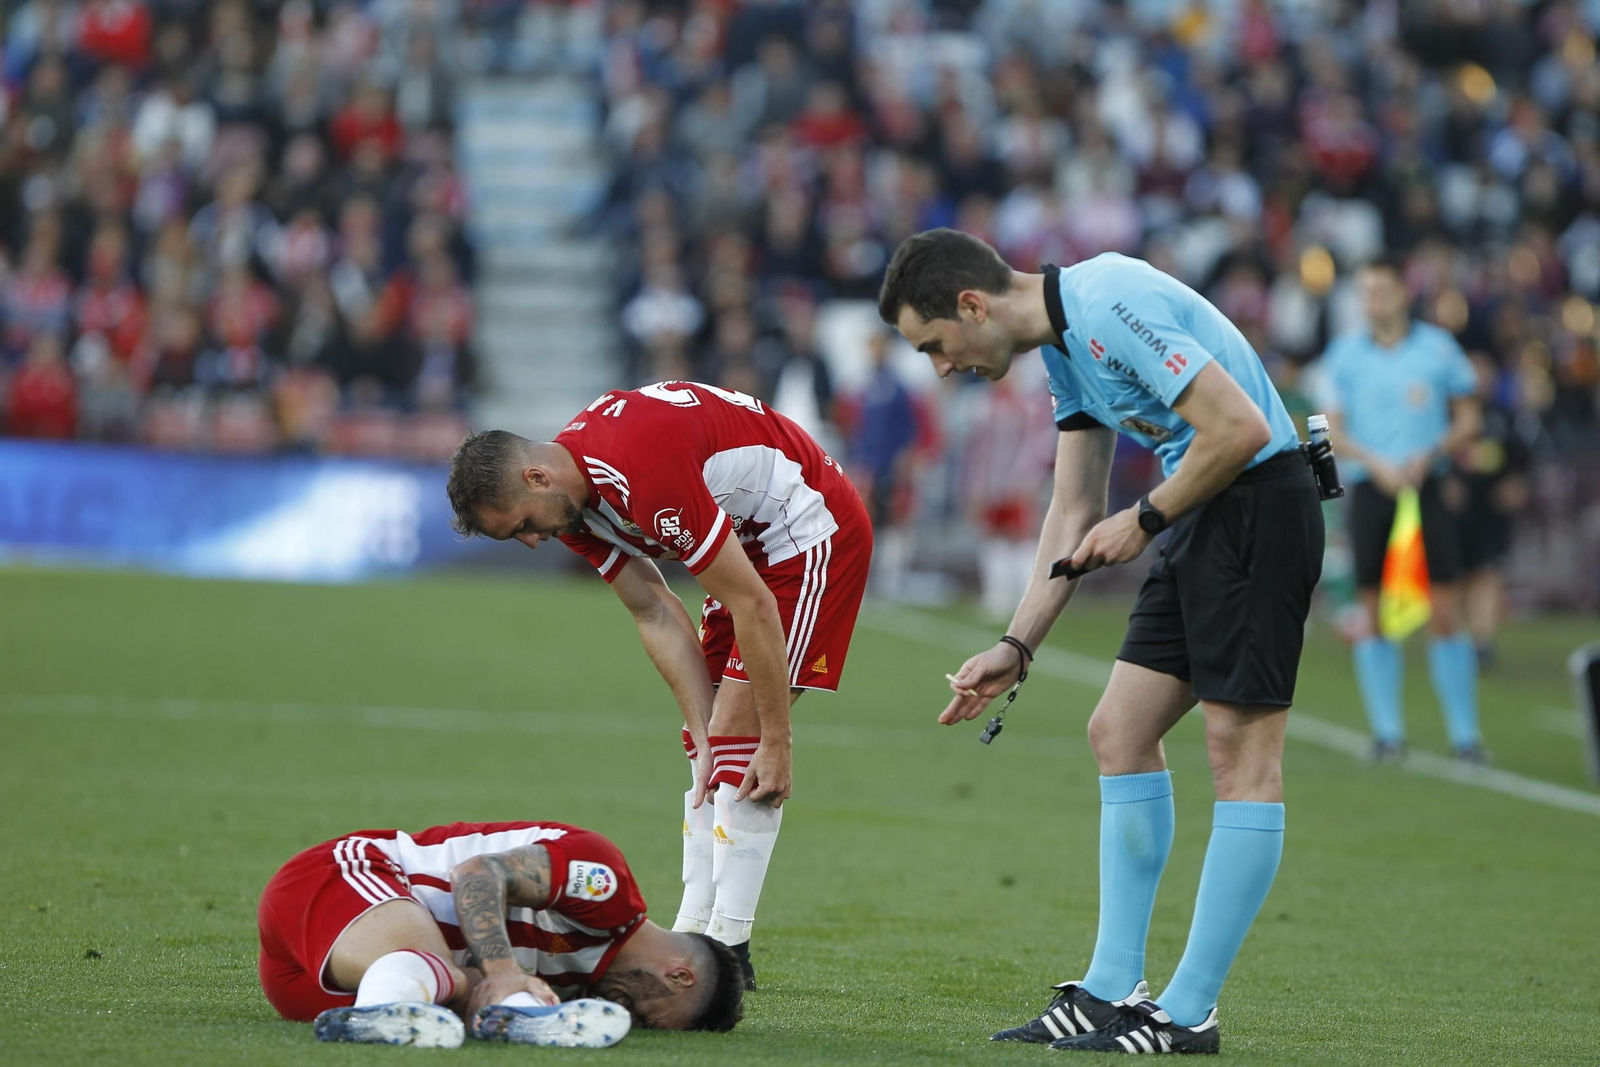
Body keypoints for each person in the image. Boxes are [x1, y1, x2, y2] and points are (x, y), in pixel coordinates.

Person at [879, 228, 1323, 1055]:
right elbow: (1073, 507)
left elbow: (1241, 426)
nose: (942, 366)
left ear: (973, 305)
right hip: (1199, 507)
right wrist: (1016, 644)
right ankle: (1113, 985)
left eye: (936, 344)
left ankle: (1188, 1013)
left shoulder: (1106, 300)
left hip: (1258, 502)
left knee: (1242, 757)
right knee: (1117, 732)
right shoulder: (1058, 345)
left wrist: (1148, 515)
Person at [446, 381, 873, 989]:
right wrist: (700, 739)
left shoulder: (639, 470)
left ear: (537, 478)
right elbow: (653, 610)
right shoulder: (575, 506)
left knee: (740, 738)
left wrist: (776, 740)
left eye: (522, 525)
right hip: (748, 543)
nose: (532, 541)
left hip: (809, 530)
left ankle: (728, 948)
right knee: (710, 750)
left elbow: (751, 602)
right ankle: (692, 932)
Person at [257, 819, 745, 1047]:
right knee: (477, 978)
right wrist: (506, 971)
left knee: (465, 987)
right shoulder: (607, 887)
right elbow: (476, 874)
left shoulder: (576, 985)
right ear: (680, 975)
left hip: (313, 983)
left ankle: (521, 1022)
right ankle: (392, 1009)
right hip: (344, 880)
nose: (631, 1020)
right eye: (649, 1018)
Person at [1318, 257, 1484, 763]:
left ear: (1402, 293)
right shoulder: (1344, 354)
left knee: (1445, 607)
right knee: (1372, 608)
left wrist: (1431, 452)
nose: (1375, 302)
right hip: (1373, 489)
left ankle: (1465, 736)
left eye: (1383, 291)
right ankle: (1387, 733)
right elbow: (1332, 429)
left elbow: (1469, 417)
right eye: (1367, 293)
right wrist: (1375, 461)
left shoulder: (1437, 347)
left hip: (1425, 487)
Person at [1449, 351, 1533, 669]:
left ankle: (1482, 642)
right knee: (1455, 576)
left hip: (1491, 510)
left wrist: (1518, 484)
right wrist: (1445, 483)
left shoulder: (1506, 417)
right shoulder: (1449, 415)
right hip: (1456, 510)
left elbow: (1523, 459)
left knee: (1487, 573)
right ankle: (1453, 641)